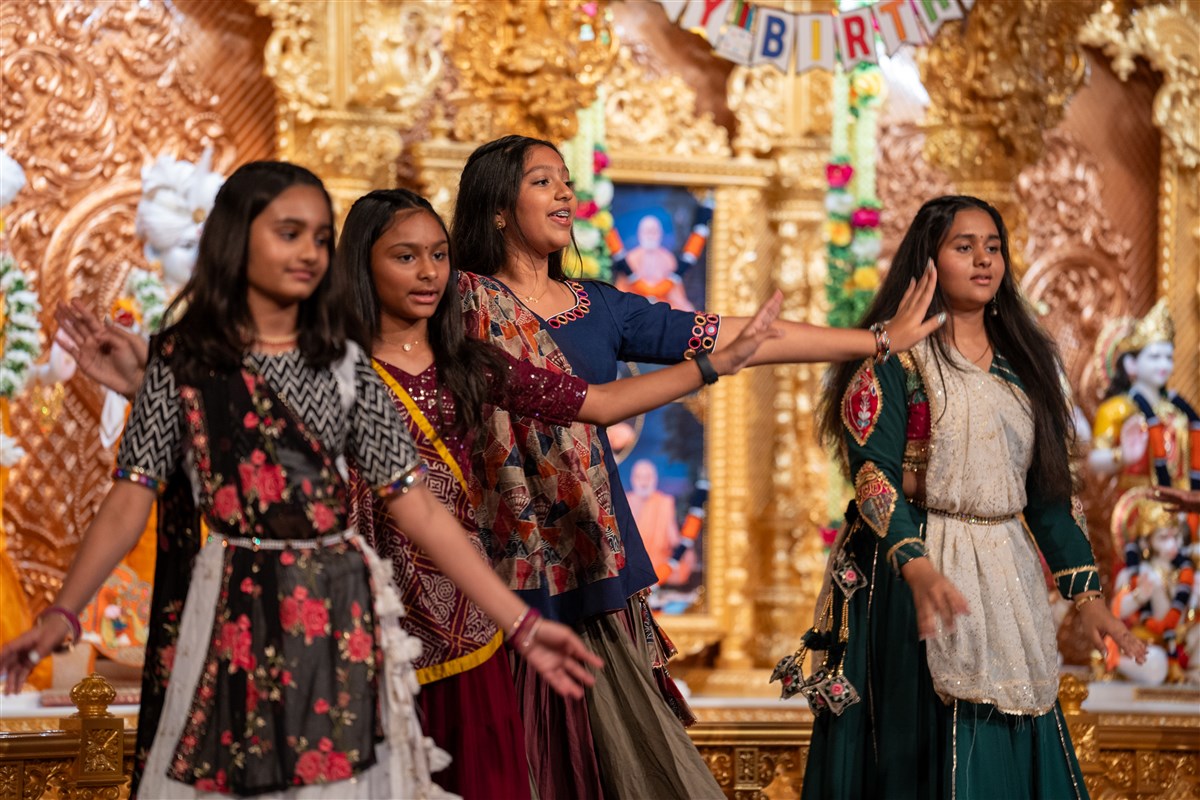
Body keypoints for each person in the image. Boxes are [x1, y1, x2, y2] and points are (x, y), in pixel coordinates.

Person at [0, 161, 602, 800]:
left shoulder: (344, 365)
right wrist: (63, 613)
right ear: (237, 238)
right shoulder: (181, 362)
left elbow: (420, 509)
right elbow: (130, 496)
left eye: (319, 237)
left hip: (336, 607)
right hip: (230, 604)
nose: (310, 252)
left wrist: (520, 623)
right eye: (289, 234)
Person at [449, 133, 946, 799]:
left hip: (589, 555)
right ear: (496, 208)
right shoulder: (458, 304)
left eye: (566, 179)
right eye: (543, 181)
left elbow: (746, 337)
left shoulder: (600, 307)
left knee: (613, 758)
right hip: (492, 563)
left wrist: (876, 339)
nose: (565, 192)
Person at [337, 188, 782, 799]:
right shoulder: (333, 372)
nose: (429, 273)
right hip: (365, 625)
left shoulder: (469, 364)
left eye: (439, 255)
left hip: (471, 628)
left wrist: (713, 365)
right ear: (362, 263)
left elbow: (598, 404)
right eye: (405, 257)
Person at [796, 195, 1146, 799]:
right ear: (927, 261)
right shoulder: (895, 360)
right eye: (965, 247)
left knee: (1011, 725)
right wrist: (918, 565)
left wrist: (1088, 599)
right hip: (912, 574)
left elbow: (1049, 496)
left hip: (1006, 575)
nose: (984, 260)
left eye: (994, 247)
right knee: (919, 749)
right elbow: (874, 477)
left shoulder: (1026, 366)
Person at [616, 215, 693, 310]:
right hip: (635, 309)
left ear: (660, 234)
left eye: (654, 231)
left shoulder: (668, 258)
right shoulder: (631, 258)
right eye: (647, 231)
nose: (650, 235)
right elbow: (622, 293)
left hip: (663, 309)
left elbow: (676, 295)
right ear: (640, 234)